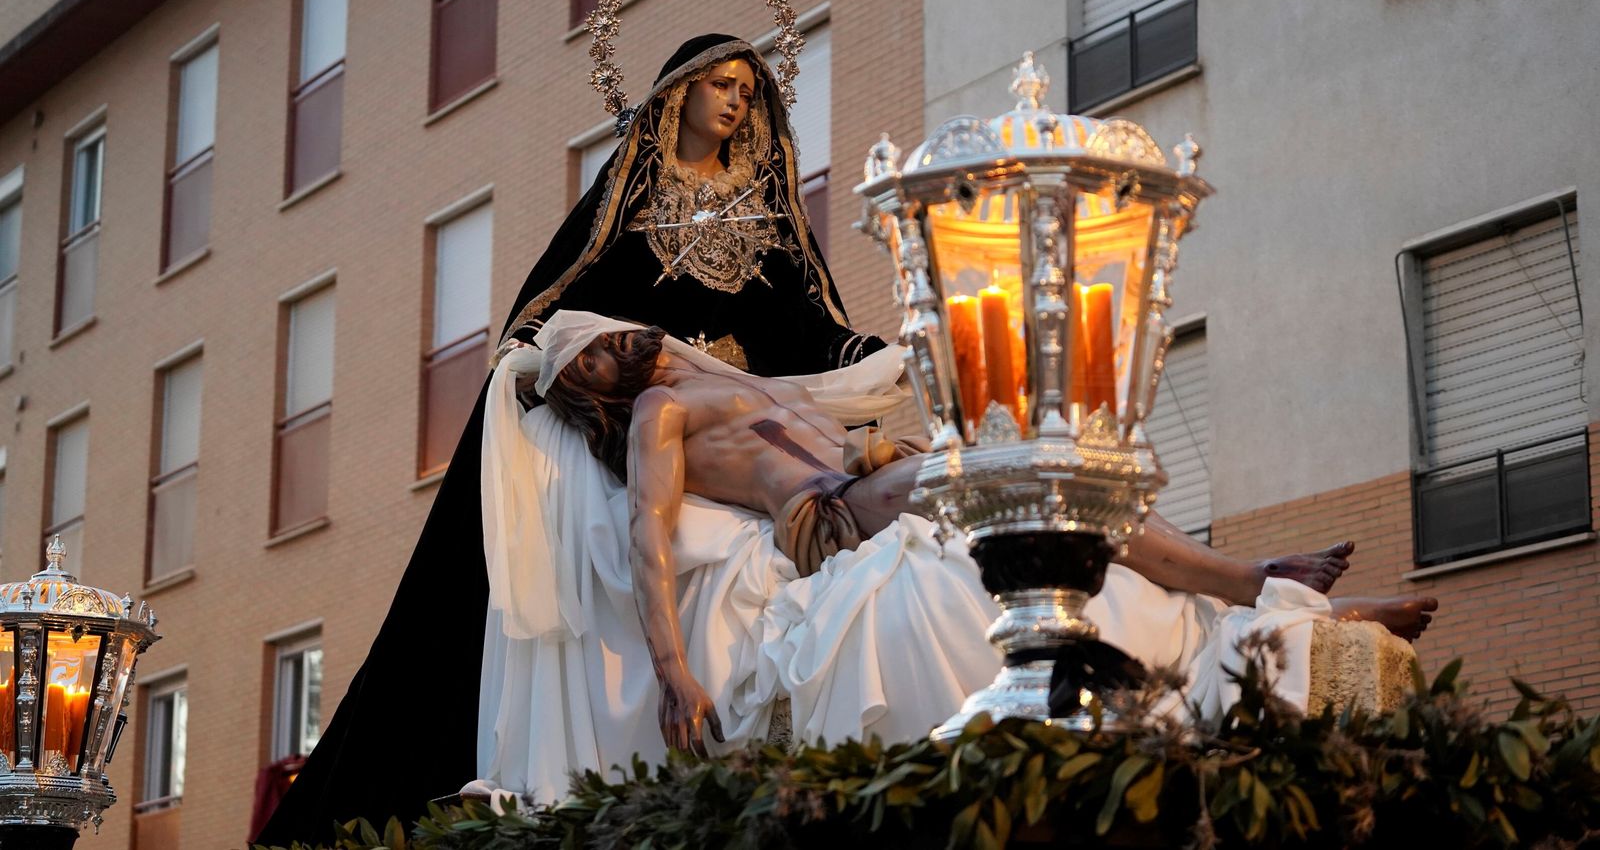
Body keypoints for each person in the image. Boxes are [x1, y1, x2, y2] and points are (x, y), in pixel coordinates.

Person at [255, 35, 886, 847]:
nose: (735, 101)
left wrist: (860, 356)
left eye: (747, 91)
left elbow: (805, 325)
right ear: (679, 94)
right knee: (623, 538)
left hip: (728, 426)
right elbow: (560, 303)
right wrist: (552, 361)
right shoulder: (627, 199)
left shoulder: (764, 211)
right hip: (643, 419)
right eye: (720, 85)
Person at [477, 313, 1435, 772]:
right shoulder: (654, 413)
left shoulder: (724, 379)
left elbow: (836, 425)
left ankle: (1265, 597)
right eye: (587, 357)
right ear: (582, 390)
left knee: (1044, 482)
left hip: (865, 479)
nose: (613, 348)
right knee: (1012, 468)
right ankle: (1255, 579)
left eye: (607, 336)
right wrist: (673, 667)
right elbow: (649, 539)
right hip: (836, 519)